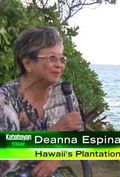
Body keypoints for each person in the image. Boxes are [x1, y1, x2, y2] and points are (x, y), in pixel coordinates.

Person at [0, 26, 84, 177]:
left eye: (62, 58)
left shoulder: (64, 92)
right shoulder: (5, 102)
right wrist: (54, 132)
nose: (60, 65)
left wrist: (56, 157)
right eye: (52, 58)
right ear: (27, 63)